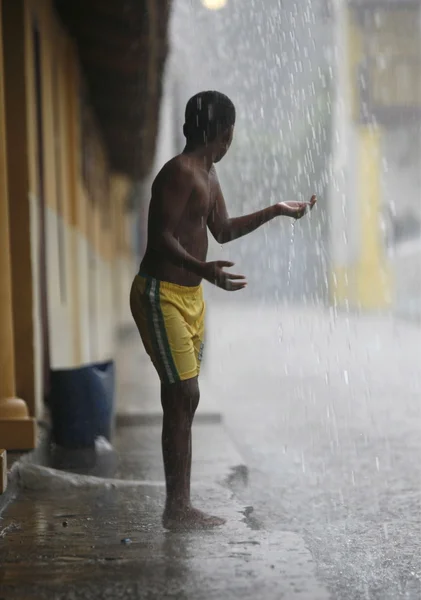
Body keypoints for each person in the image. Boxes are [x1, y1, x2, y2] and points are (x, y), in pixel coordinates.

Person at [130, 90, 316, 530]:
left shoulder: (209, 177)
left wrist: (276, 211)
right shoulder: (179, 173)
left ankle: (181, 505)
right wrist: (203, 269)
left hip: (191, 298)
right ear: (224, 133)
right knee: (183, 395)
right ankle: (177, 510)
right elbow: (159, 238)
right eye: (232, 131)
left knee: (183, 400)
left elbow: (224, 230)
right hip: (161, 294)